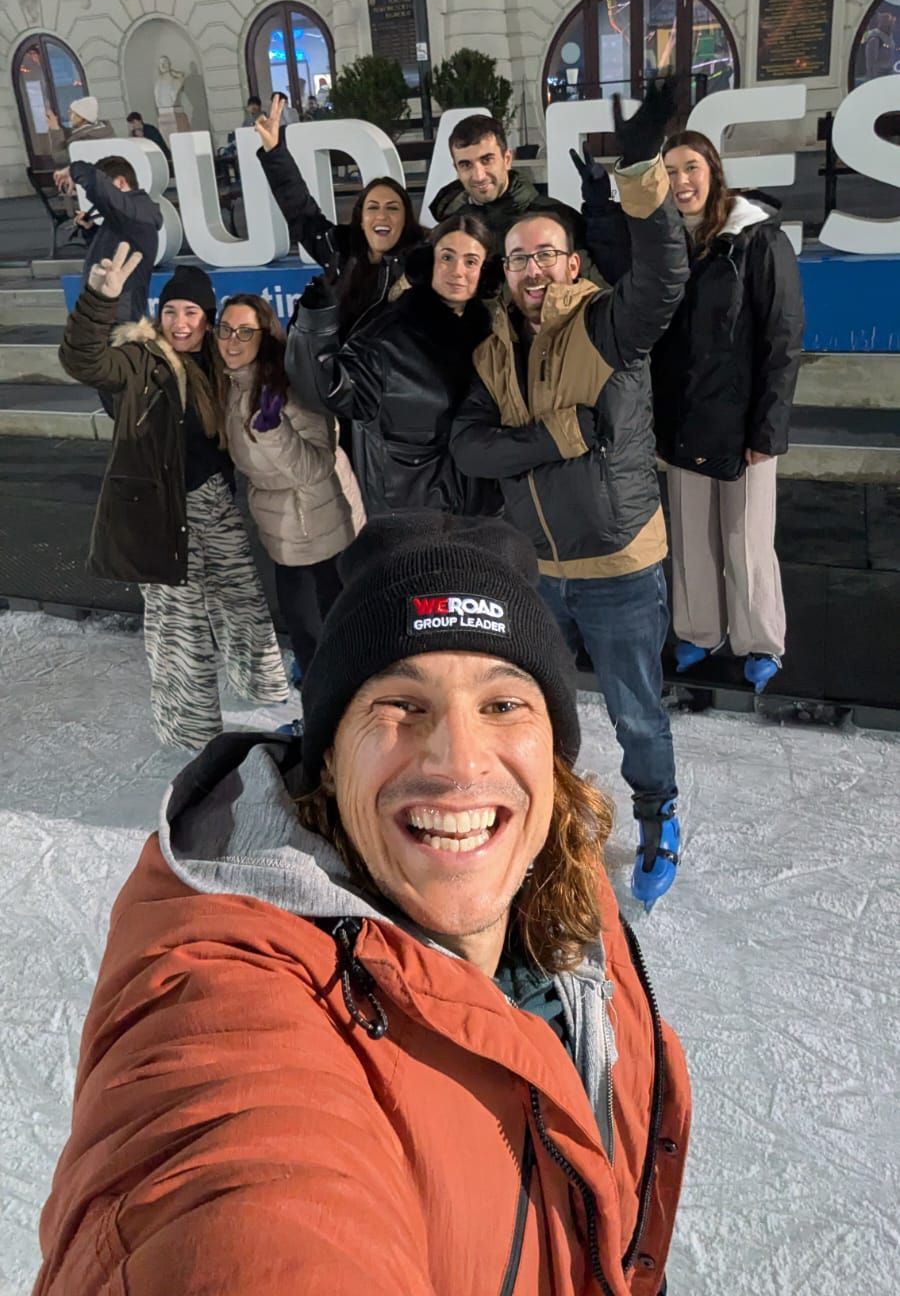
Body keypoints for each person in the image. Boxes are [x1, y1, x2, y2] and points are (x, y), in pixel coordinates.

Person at [34, 513, 690, 1296]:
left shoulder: (566, 894)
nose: (458, 759)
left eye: (503, 703)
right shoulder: (231, 988)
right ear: (329, 756)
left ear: (554, 749)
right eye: (400, 705)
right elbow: (235, 1187)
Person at [451, 82, 690, 911]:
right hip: (539, 568)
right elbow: (468, 443)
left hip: (618, 564)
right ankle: (545, 819)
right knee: (539, 712)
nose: (532, 270)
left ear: (574, 262)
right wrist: (552, 439)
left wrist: (642, 171)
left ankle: (659, 818)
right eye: (518, 258)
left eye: (546, 254)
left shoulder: (606, 325)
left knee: (635, 713)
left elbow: (663, 276)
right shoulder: (493, 348)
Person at [58, 250, 290, 749]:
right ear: (158, 317)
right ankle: (189, 729)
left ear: (207, 321)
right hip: (159, 513)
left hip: (213, 502)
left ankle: (261, 685)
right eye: (171, 312)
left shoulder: (215, 361)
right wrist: (99, 298)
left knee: (242, 596)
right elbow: (84, 359)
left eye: (191, 313)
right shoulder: (141, 359)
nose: (180, 323)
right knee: (178, 626)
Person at [651, 130, 805, 696]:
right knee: (692, 538)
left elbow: (783, 339)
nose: (681, 181)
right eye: (668, 172)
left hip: (743, 427)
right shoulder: (668, 245)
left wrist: (768, 429)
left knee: (746, 540)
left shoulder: (758, 240)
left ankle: (760, 640)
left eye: (689, 167)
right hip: (685, 421)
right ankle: (698, 630)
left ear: (713, 170)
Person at [287, 216, 500, 518]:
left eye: (471, 261)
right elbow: (327, 390)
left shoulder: (493, 335)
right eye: (447, 257)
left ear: (486, 272)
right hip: (411, 519)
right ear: (428, 263)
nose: (457, 272)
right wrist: (314, 324)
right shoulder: (389, 335)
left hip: (482, 514)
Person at [217, 293, 360, 682]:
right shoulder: (233, 382)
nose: (232, 340)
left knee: (329, 638)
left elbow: (316, 468)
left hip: (321, 527)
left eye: (245, 332)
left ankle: (335, 720)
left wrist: (274, 430)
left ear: (265, 336)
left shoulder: (290, 385)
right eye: (226, 330)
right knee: (306, 638)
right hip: (282, 530)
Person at [255, 94, 423, 337]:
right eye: (373, 207)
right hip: (339, 371)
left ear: (406, 218)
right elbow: (300, 209)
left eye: (393, 208)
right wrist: (274, 151)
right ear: (362, 220)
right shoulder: (339, 251)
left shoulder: (421, 262)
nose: (382, 215)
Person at [430, 113, 603, 279]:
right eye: (466, 165)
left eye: (486, 160)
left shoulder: (557, 217)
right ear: (456, 169)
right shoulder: (449, 230)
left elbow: (591, 284)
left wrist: (603, 213)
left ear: (507, 159)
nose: (479, 176)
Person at [54, 156, 161, 321]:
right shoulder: (128, 216)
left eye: (107, 185)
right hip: (106, 311)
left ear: (120, 183)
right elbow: (109, 254)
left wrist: (73, 170)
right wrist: (91, 231)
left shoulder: (136, 211)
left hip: (116, 315)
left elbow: (98, 187)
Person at [46, 94, 113, 165]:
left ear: (82, 117)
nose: (68, 114)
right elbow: (74, 133)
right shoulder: (101, 130)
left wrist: (55, 130)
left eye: (72, 112)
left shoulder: (84, 141)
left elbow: (59, 158)